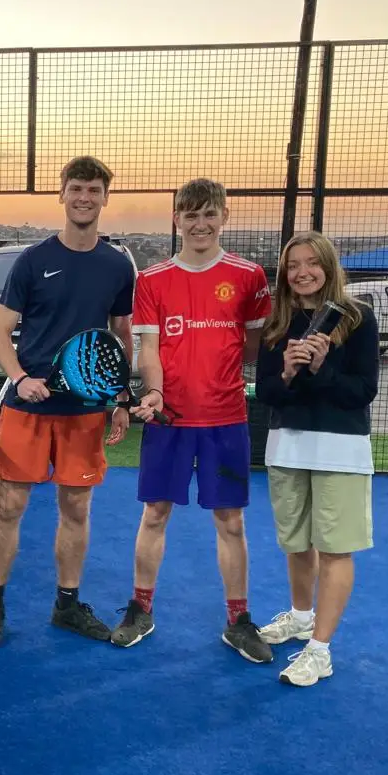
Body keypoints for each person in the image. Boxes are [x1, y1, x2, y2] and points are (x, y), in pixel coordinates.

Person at [0, 155, 136, 650]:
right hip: (29, 408)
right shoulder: (31, 261)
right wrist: (20, 378)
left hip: (83, 412)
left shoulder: (117, 266)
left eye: (93, 189)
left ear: (105, 197)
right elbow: (1, 332)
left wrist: (121, 396)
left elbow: (121, 336)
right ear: (62, 194)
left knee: (77, 507)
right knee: (9, 506)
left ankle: (67, 604)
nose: (84, 197)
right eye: (76, 188)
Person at [115, 177, 274, 663]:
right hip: (170, 421)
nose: (200, 224)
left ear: (224, 216)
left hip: (227, 421)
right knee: (155, 514)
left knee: (231, 521)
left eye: (209, 214)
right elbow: (149, 348)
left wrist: (218, 375)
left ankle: (238, 620)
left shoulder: (250, 277)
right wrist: (156, 392)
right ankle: (140, 608)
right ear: (176, 219)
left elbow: (252, 346)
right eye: (190, 214)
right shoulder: (152, 280)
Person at [254, 231, 379, 687]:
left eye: (311, 263)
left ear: (328, 266)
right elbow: (267, 391)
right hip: (287, 447)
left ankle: (319, 651)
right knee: (296, 543)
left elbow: (363, 391)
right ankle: (301, 617)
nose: (302, 272)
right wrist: (288, 372)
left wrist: (323, 368)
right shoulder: (278, 323)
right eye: (293, 265)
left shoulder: (357, 317)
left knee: (335, 549)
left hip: (340, 451)